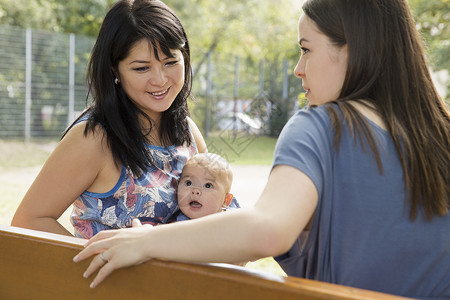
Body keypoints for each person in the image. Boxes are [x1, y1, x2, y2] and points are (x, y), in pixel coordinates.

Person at [74, 0, 450, 298]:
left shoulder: (320, 127)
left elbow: (268, 229)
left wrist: (146, 241)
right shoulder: (439, 133)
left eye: (306, 49)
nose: (298, 68)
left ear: (353, 49)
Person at [11, 0, 207, 238]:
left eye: (170, 62)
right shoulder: (94, 138)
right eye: (142, 68)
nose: (160, 79)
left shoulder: (187, 131)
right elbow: (28, 221)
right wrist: (102, 255)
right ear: (115, 69)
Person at [175, 153, 234, 221]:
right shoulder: (178, 224)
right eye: (189, 183)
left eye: (208, 185)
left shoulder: (232, 221)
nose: (195, 191)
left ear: (225, 200)